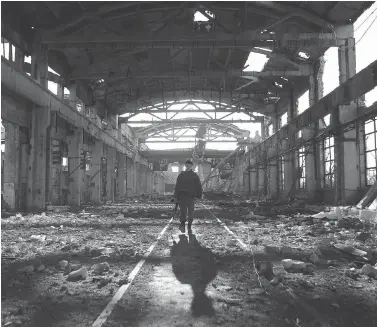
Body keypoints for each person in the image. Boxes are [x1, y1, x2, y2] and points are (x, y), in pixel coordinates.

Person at [174, 160, 203, 233]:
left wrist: (199, 196)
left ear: (191, 166)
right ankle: (182, 224)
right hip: (181, 196)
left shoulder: (194, 176)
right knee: (183, 211)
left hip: (190, 197)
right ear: (185, 166)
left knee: (190, 211)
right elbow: (177, 186)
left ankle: (189, 225)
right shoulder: (181, 175)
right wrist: (175, 196)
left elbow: (198, 186)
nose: (187, 167)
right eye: (186, 165)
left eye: (189, 165)